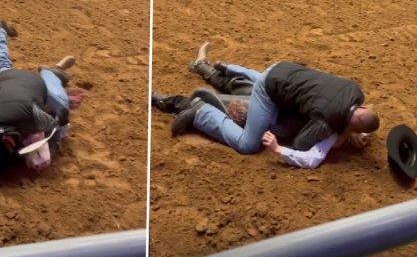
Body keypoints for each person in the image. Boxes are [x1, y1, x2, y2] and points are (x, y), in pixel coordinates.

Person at [154, 43, 374, 169]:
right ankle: (199, 110)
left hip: (282, 79)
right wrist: (342, 136)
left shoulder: (353, 91)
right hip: (273, 101)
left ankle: (206, 69)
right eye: (362, 133)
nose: (363, 139)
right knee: (248, 142)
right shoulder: (330, 128)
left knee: (250, 90)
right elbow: (305, 150)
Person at [0, 20, 82, 171]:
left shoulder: (31, 120)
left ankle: (54, 71)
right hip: (7, 82)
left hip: (32, 84)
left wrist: (55, 132)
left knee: (58, 105)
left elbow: (57, 123)